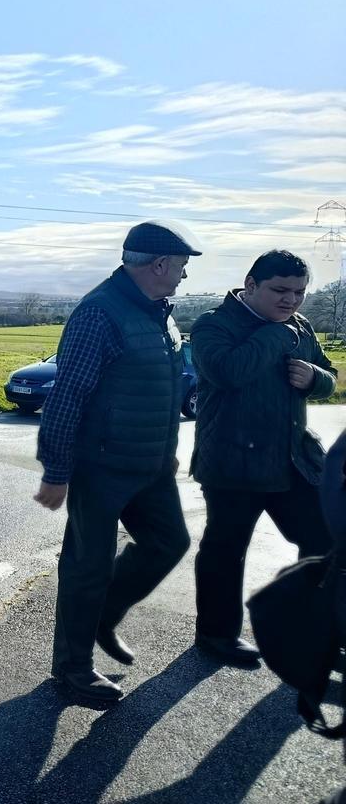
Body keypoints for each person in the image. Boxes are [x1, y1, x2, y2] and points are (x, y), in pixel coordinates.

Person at [35, 221, 199, 706]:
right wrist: (56, 471)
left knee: (170, 541)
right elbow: (67, 395)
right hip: (101, 466)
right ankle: (72, 668)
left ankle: (103, 615)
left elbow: (161, 391)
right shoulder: (99, 314)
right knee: (88, 565)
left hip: (150, 465)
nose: (184, 275)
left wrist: (166, 448)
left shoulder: (159, 314)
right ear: (159, 264)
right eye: (182, 266)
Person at [190, 249, 335, 665]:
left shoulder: (299, 324)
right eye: (280, 290)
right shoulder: (213, 325)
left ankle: (310, 628)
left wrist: (315, 379)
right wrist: (278, 333)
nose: (291, 300)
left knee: (325, 542)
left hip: (293, 460)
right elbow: (227, 372)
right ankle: (216, 636)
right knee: (225, 551)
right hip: (232, 463)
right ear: (250, 285)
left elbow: (330, 375)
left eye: (300, 292)